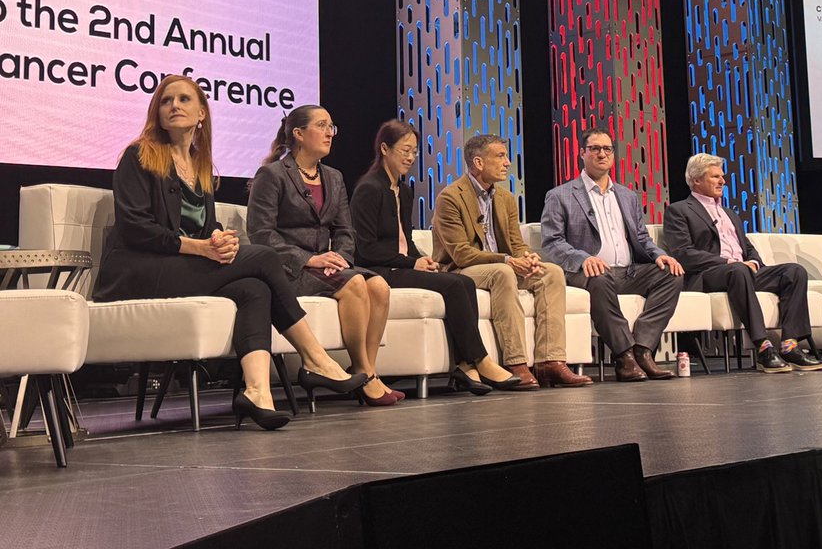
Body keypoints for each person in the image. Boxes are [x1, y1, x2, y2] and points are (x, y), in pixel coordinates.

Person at [95, 76, 365, 431]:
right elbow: (136, 228)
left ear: (202, 113)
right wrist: (200, 248)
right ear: (156, 112)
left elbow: (202, 231)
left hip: (179, 266)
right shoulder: (139, 155)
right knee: (265, 258)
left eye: (184, 99)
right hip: (136, 272)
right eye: (166, 101)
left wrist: (219, 241)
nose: (174, 106)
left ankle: (257, 392)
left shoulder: (200, 165)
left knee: (256, 288)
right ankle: (315, 358)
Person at [350, 120, 522, 394]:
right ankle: (479, 360)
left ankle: (466, 366)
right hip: (378, 270)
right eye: (404, 150)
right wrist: (411, 262)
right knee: (455, 283)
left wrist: (423, 259)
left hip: (400, 266)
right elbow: (365, 249)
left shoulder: (403, 191)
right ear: (384, 148)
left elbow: (404, 240)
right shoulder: (368, 189)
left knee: (463, 283)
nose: (410, 157)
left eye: (414, 152)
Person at [248, 106, 400, 406]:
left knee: (379, 286)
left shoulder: (334, 177)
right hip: (291, 270)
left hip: (329, 266)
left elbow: (345, 229)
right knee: (356, 285)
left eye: (332, 126)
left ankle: (364, 369)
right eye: (322, 126)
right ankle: (366, 376)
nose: (330, 133)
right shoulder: (273, 174)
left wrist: (340, 257)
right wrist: (307, 259)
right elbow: (261, 233)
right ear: (299, 134)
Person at [431, 134, 592, 389]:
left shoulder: (505, 198)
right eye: (500, 156)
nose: (507, 163)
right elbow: (460, 253)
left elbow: (516, 243)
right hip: (460, 271)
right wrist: (507, 260)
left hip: (499, 265)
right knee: (502, 273)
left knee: (550, 272)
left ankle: (551, 361)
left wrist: (527, 257)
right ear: (478, 162)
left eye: (506, 156)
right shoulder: (450, 198)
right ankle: (516, 363)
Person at [539, 129, 684, 382]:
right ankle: (624, 357)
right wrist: (583, 258)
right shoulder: (560, 195)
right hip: (587, 272)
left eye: (607, 149)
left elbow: (641, 238)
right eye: (595, 149)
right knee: (600, 277)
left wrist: (660, 255)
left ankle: (643, 349)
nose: (602, 154)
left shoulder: (627, 196)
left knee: (671, 274)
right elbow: (552, 242)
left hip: (628, 272)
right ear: (582, 154)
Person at [663, 154, 822, 373]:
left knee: (794, 271)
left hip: (741, 271)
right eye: (715, 177)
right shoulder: (679, 210)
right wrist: (729, 261)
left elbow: (746, 247)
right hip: (708, 275)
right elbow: (683, 253)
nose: (723, 181)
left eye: (722, 176)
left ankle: (790, 345)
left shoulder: (729, 213)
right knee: (738, 269)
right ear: (696, 180)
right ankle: (763, 346)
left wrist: (754, 262)